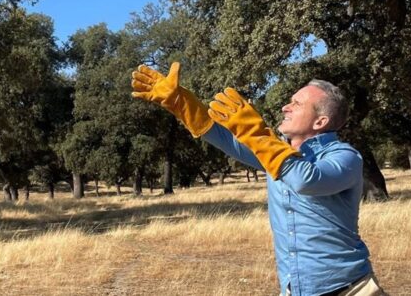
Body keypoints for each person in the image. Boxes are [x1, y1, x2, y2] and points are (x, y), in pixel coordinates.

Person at [131, 62, 386, 296]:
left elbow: (305, 180)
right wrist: (180, 104)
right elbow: (224, 139)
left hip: (348, 289)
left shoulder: (345, 157)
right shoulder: (273, 152)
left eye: (297, 104)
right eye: (289, 101)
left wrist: (256, 134)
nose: (286, 107)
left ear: (321, 121)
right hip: (295, 288)